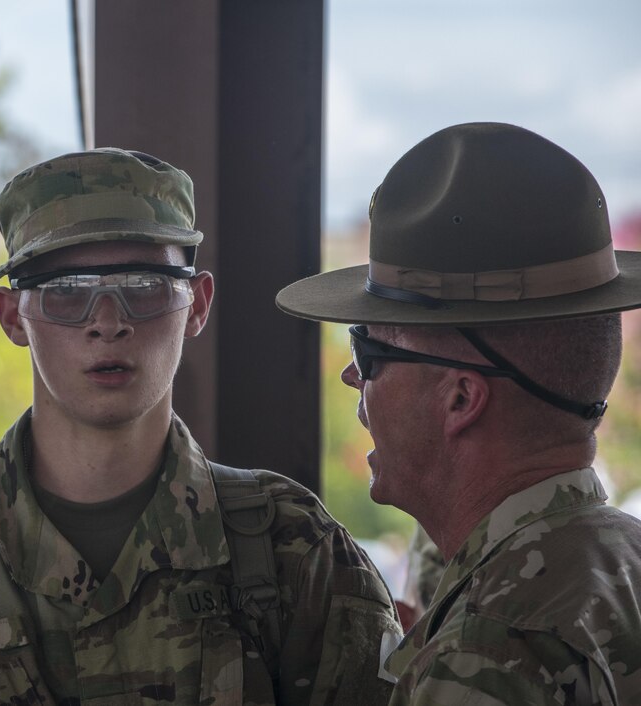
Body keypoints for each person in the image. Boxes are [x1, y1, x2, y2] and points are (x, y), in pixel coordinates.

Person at [0, 148, 402, 706]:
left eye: (145, 284)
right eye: (66, 289)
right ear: (13, 316)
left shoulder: (292, 551)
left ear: (198, 303)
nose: (106, 320)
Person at [275, 122, 641, 704]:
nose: (351, 377)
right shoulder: (623, 566)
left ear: (462, 399)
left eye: (368, 352)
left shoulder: (487, 652)